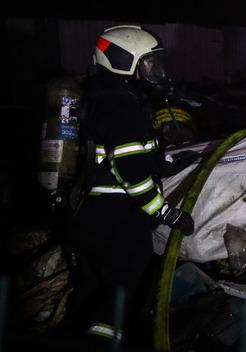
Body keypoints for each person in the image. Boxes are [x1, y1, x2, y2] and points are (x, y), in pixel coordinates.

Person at [68, 25, 196, 346]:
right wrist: (165, 213)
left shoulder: (106, 98)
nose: (157, 73)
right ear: (124, 63)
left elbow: (131, 153)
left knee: (91, 291)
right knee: (121, 294)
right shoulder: (122, 106)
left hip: (91, 216)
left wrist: (168, 164)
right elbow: (131, 171)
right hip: (118, 219)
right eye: (149, 64)